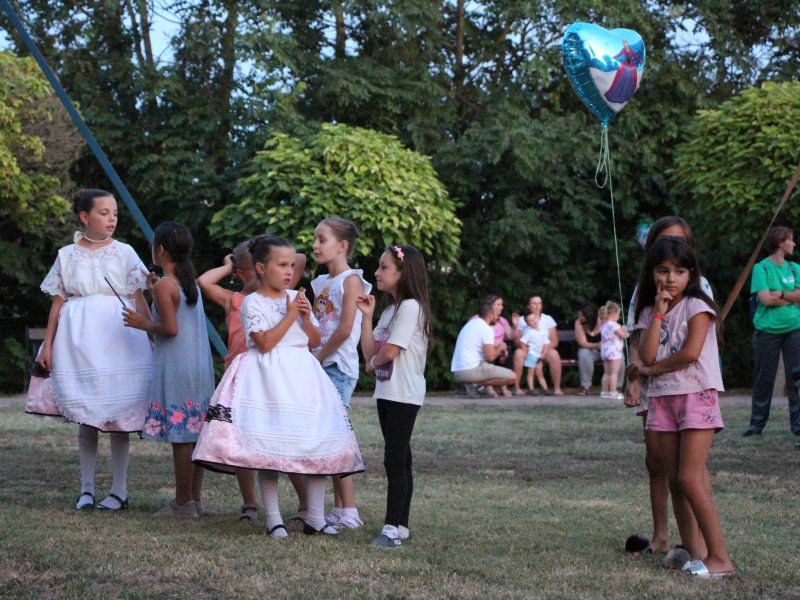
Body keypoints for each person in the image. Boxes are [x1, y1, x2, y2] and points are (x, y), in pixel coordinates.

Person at [192, 235, 363, 537]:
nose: (288, 271)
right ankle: (273, 519)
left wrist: (306, 317)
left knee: (315, 443)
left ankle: (315, 516)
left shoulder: (296, 298)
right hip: (268, 378)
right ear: (260, 267)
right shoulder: (251, 303)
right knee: (268, 447)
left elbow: (313, 340)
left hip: (302, 375)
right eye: (281, 265)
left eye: (291, 265)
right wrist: (291, 314)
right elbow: (266, 342)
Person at [31, 189, 153, 511]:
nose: (111, 218)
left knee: (118, 416)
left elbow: (138, 297)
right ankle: (86, 489)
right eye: (103, 213)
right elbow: (59, 302)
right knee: (87, 415)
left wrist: (153, 335)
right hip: (79, 341)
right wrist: (49, 344)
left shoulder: (125, 252)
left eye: (114, 213)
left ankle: (119, 491)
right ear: (85, 217)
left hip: (119, 339)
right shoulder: (66, 255)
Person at [628, 236, 734, 577]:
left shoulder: (698, 307)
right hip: (662, 399)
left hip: (696, 394)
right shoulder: (649, 310)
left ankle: (721, 559)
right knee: (675, 478)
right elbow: (645, 354)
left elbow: (690, 353)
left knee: (690, 477)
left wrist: (649, 370)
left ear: (691, 274)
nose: (670, 278)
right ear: (651, 273)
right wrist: (658, 311)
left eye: (679, 271)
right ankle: (696, 554)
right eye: (662, 270)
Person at [197, 242, 307, 522]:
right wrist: (228, 266)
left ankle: (305, 504)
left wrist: (271, 258)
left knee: (284, 437)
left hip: (271, 372)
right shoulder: (235, 299)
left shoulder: (279, 298)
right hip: (242, 375)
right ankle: (250, 503)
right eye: (243, 273)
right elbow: (203, 281)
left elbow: (301, 258)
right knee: (243, 439)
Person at [624, 215, 713, 555]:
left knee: (687, 471)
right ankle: (661, 538)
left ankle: (701, 547)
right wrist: (634, 381)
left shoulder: (698, 288)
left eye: (681, 242)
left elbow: (696, 345)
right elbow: (638, 334)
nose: (673, 250)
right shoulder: (645, 288)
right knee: (656, 461)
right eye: (665, 242)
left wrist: (648, 370)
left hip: (686, 385)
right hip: (654, 385)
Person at [122, 222, 215, 518]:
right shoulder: (187, 284)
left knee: (180, 438)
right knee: (194, 433)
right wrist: (153, 291)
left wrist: (141, 323)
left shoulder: (166, 284)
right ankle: (194, 500)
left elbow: (169, 329)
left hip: (177, 368)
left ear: (160, 250)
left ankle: (182, 503)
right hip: (198, 367)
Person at [358, 244, 431, 548]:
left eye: (384, 267)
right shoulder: (390, 311)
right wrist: (366, 317)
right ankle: (400, 526)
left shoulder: (412, 307)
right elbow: (370, 352)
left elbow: (388, 352)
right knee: (401, 458)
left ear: (403, 273)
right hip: (387, 392)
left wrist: (373, 363)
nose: (377, 272)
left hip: (403, 394)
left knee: (394, 460)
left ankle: (390, 531)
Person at [310, 217, 371, 530]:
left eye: (322, 239)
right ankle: (337, 508)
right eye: (314, 239)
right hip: (321, 364)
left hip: (337, 367)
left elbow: (346, 328)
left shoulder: (351, 281)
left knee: (336, 437)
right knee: (327, 436)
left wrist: (319, 355)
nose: (315, 245)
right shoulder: (321, 283)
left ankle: (349, 511)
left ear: (342, 246)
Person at [744, 225, 800, 445]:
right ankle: (756, 425)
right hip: (766, 331)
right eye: (791, 239)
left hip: (794, 329)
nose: (794, 244)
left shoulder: (795, 268)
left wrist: (781, 294)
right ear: (780, 242)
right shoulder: (762, 269)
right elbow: (765, 300)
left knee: (797, 380)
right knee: (763, 379)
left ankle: (798, 427)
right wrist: (791, 297)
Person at [451, 303, 515, 396]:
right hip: (471, 371)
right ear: (490, 315)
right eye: (495, 315)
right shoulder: (486, 329)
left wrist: (497, 346)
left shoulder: (471, 324)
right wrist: (501, 347)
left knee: (487, 367)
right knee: (512, 377)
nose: (496, 318)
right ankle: (476, 384)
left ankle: (476, 386)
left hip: (458, 371)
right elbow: (490, 357)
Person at [471, 294, 521, 396]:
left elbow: (511, 336)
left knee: (507, 357)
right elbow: (473, 336)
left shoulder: (502, 321)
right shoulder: (478, 318)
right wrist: (495, 345)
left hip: (500, 351)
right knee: (490, 356)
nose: (501, 307)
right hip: (483, 350)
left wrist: (516, 326)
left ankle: (504, 387)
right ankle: (489, 386)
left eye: (501, 304)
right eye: (498, 304)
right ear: (490, 306)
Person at [513, 295, 563, 396]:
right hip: (528, 350)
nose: (537, 306)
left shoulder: (548, 319)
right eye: (534, 303)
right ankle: (517, 388)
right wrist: (517, 326)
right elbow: (517, 342)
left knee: (554, 354)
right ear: (528, 306)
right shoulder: (522, 320)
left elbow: (554, 341)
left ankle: (557, 388)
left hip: (544, 348)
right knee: (518, 353)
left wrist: (542, 350)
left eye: (539, 303)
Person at [599, 301, 627, 400]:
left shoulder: (603, 324)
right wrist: (624, 330)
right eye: (618, 314)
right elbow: (623, 336)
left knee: (606, 372)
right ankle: (613, 392)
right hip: (614, 350)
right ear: (613, 314)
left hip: (605, 350)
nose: (618, 317)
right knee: (614, 373)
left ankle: (604, 391)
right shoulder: (615, 325)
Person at [574, 301, 601, 396]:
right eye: (579, 315)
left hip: (606, 350)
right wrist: (598, 345)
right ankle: (585, 387)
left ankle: (618, 387)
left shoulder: (602, 321)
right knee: (584, 353)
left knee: (618, 356)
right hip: (591, 351)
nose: (580, 318)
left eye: (582, 316)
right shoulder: (579, 323)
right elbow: (583, 343)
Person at [520, 312, 549, 395]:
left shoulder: (542, 332)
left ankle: (545, 389)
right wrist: (525, 351)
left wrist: (544, 354)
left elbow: (546, 344)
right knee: (531, 372)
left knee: (540, 372)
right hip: (532, 354)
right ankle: (531, 389)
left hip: (539, 355)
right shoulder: (530, 332)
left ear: (538, 319)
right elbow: (522, 342)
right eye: (531, 321)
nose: (534, 321)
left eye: (535, 319)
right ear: (528, 324)